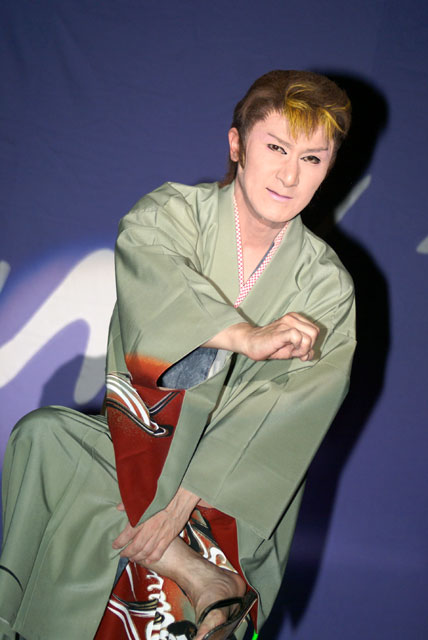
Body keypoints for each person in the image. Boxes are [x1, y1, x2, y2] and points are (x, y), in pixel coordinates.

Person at [0, 70, 356, 640]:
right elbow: (153, 280)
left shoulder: (326, 288)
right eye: (275, 148)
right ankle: (196, 574)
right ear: (237, 145)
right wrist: (243, 337)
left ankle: (198, 565)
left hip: (228, 493)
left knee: (82, 479)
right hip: (142, 448)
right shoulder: (172, 214)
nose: (290, 175)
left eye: (312, 158)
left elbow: (290, 415)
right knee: (45, 439)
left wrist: (178, 504)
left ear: (329, 167)